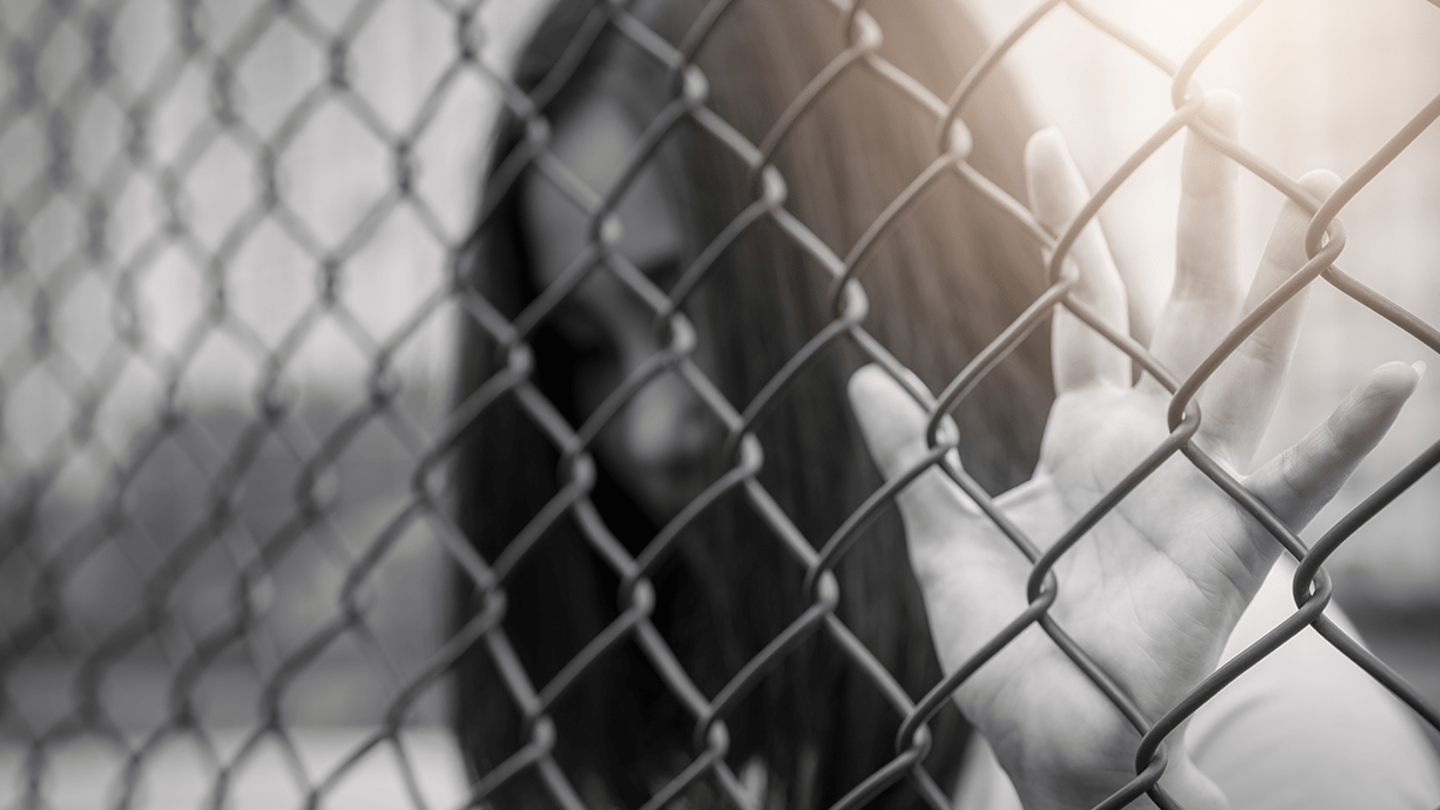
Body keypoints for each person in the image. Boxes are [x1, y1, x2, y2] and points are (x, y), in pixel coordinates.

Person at [450, 0, 1440, 808]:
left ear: (876, 260)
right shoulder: (713, 721)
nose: (644, 428)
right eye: (583, 350)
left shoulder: (1259, 724)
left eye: (683, 310)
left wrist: (1108, 797)